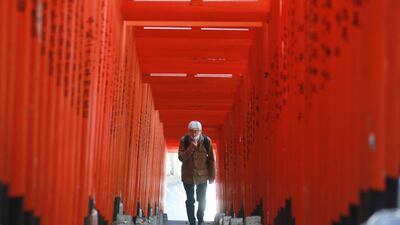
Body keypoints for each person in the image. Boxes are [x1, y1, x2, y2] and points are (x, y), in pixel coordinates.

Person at [178, 121, 216, 225]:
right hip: (188, 176)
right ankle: (192, 222)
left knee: (202, 200)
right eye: (191, 131)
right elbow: (181, 158)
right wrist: (191, 147)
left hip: (203, 176)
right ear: (188, 131)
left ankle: (200, 218)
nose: (193, 134)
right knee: (190, 200)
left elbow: (211, 159)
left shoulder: (207, 141)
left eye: (196, 131)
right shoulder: (184, 140)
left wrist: (212, 177)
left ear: (200, 131)